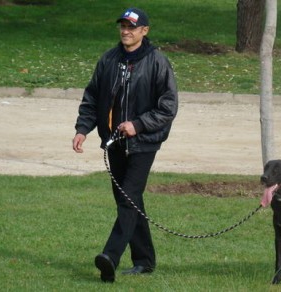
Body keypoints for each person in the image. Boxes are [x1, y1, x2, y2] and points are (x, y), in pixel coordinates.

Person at [72, 7, 178, 283]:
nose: (126, 31)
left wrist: (138, 124)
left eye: (132, 27)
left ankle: (110, 256)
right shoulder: (108, 59)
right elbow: (92, 96)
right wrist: (83, 128)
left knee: (128, 197)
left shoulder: (157, 62)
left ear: (144, 31)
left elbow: (168, 107)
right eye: (123, 26)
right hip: (114, 143)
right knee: (130, 200)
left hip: (144, 144)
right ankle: (144, 260)